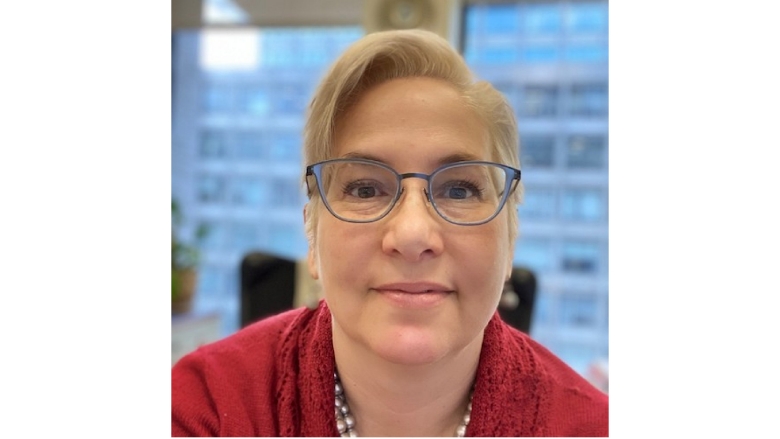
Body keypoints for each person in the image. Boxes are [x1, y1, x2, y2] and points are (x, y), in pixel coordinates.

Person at [172, 29, 608, 437]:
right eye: (364, 189)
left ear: (510, 235)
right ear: (311, 230)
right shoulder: (199, 408)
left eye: (459, 189)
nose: (413, 234)